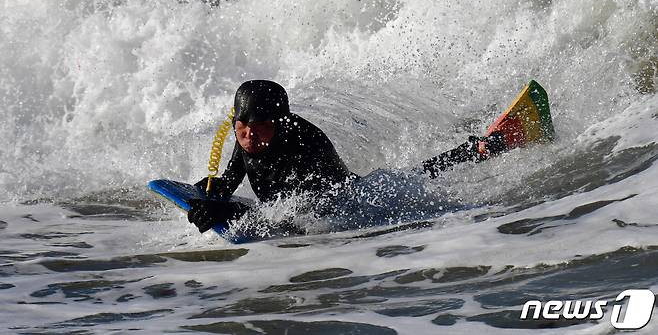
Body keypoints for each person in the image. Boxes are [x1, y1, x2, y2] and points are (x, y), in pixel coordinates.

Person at [187, 80, 505, 233]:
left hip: (355, 202)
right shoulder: (248, 136)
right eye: (240, 127)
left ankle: (478, 149)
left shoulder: (305, 142)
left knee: (412, 180)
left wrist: (223, 211)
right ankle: (475, 150)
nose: (248, 137)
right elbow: (230, 179)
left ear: (280, 124)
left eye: (257, 128)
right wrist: (212, 194)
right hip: (319, 209)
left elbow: (305, 210)